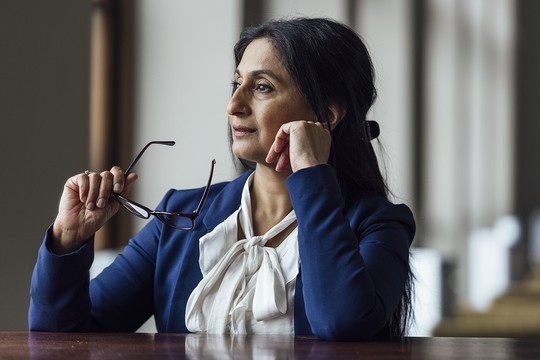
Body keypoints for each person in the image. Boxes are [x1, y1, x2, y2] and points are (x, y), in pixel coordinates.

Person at [29, 17, 415, 341]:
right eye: (236, 83)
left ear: (327, 115)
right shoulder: (177, 215)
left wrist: (313, 173)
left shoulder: (379, 223)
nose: (234, 104)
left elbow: (341, 322)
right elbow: (65, 338)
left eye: (262, 87)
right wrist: (68, 238)